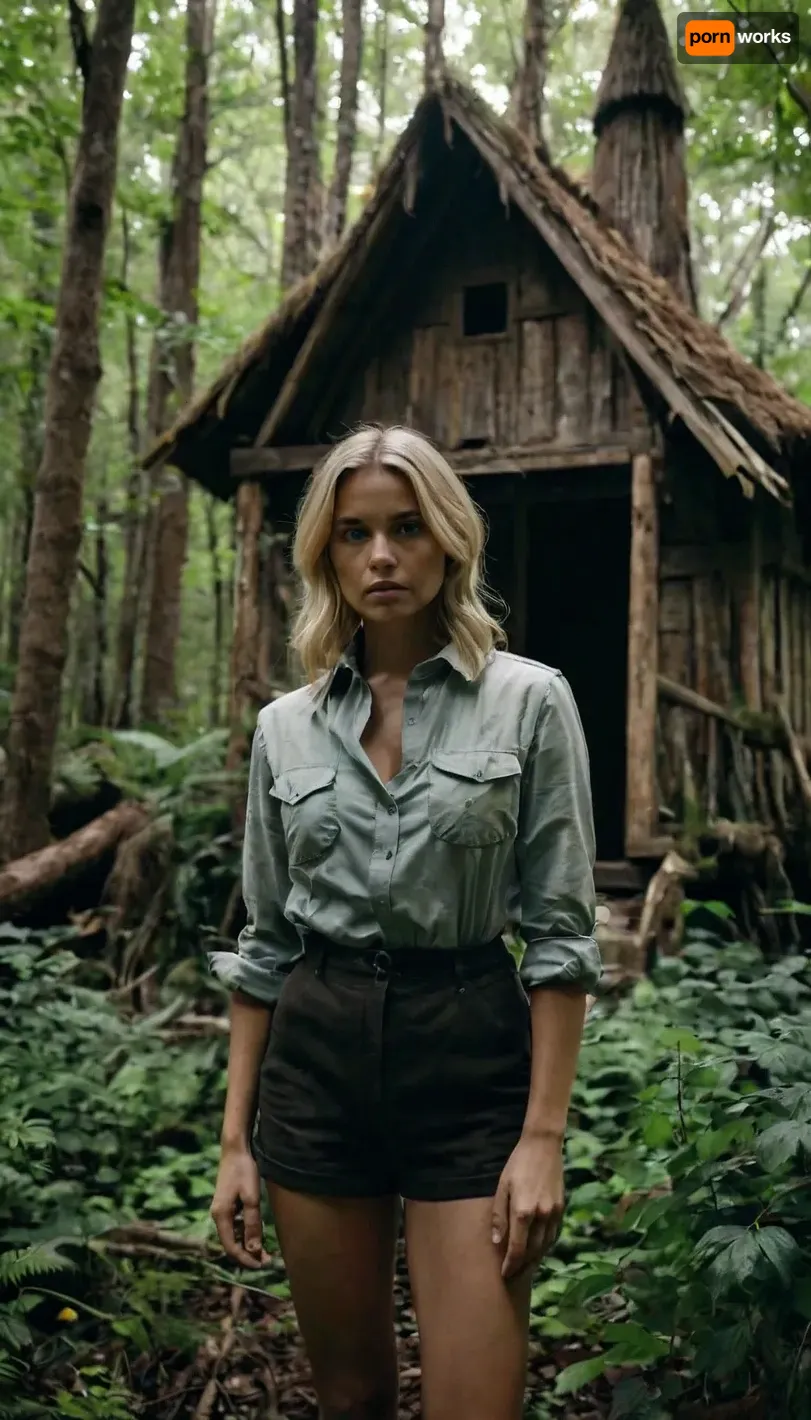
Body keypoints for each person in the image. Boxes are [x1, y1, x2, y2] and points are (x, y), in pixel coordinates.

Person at [210, 424, 602, 1420]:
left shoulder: (529, 702)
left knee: (477, 1403)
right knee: (351, 1399)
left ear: (449, 540)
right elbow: (265, 946)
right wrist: (234, 1142)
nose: (381, 555)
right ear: (326, 554)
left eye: (406, 528)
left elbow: (560, 939)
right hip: (316, 1063)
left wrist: (542, 1138)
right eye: (354, 533)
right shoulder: (284, 728)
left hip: (466, 1051)